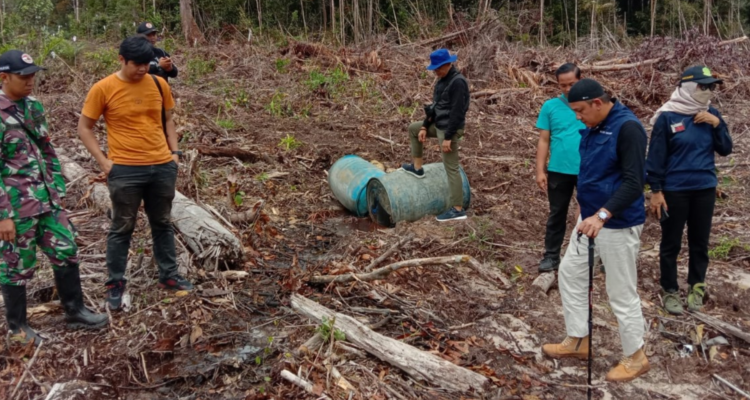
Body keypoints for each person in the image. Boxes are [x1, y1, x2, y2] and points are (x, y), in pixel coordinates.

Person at [542, 79, 650, 382]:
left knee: (620, 291)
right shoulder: (593, 126)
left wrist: (602, 215)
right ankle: (579, 339)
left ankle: (636, 356)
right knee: (570, 273)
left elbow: (633, 182)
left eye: (580, 110)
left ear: (598, 103)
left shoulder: (628, 129)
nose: (578, 116)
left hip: (616, 223)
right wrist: (585, 209)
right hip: (589, 219)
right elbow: (594, 172)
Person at [77, 36, 192, 311]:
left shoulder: (158, 83)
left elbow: (168, 119)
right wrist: (104, 163)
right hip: (125, 169)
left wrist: (174, 155)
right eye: (136, 64)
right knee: (122, 227)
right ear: (121, 60)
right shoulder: (103, 88)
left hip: (162, 165)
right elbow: (84, 128)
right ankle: (115, 283)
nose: (142, 69)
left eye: (146, 63)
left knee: (162, 222)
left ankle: (169, 276)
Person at [0, 50, 107, 344]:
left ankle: (75, 311)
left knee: (66, 248)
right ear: (4, 77)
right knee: (16, 264)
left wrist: (57, 188)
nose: (30, 80)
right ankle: (18, 328)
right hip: (16, 205)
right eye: (24, 76)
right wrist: (3, 215)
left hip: (47, 198)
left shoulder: (33, 107)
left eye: (33, 74)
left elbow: (47, 149)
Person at [647, 66, 732, 315]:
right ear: (686, 87)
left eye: (711, 87)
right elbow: (656, 157)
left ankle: (697, 285)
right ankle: (669, 289)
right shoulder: (668, 117)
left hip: (704, 188)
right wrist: (656, 190)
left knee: (699, 242)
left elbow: (726, 149)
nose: (708, 91)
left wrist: (717, 124)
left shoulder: (711, 115)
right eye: (703, 86)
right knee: (671, 243)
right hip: (675, 190)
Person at [400, 48, 470, 222]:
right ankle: (417, 168)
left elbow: (457, 113)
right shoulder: (441, 81)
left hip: (449, 129)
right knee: (413, 129)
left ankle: (457, 209)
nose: (436, 72)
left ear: (448, 64)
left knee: (451, 168)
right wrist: (424, 126)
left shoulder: (458, 82)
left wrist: (448, 138)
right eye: (434, 69)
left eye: (438, 68)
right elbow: (436, 107)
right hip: (439, 124)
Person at [535, 63, 585, 273]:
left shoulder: (592, 104)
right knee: (557, 213)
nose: (567, 89)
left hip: (588, 169)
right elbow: (544, 140)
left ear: (580, 81)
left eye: (571, 84)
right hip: (559, 169)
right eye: (563, 85)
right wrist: (540, 170)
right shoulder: (550, 107)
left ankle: (589, 254)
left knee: (589, 212)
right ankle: (551, 255)